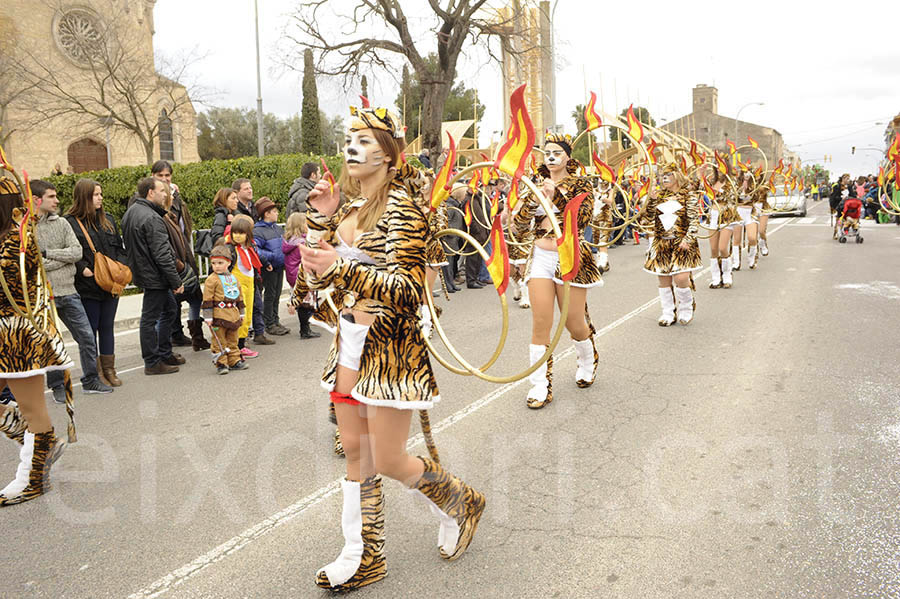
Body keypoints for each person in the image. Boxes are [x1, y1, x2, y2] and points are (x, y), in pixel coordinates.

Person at [299, 104, 485, 591]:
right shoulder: (349, 210)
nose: (352, 147)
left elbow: (405, 289)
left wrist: (339, 268)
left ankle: (460, 501)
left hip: (390, 354)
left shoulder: (402, 208)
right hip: (348, 346)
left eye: (364, 139)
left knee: (387, 459)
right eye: (349, 138)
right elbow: (315, 275)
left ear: (388, 153)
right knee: (357, 455)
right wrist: (322, 221)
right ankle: (361, 555)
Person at [512, 132, 602, 409]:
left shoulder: (581, 184)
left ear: (567, 157)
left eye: (556, 153)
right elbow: (518, 225)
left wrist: (558, 197)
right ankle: (540, 385)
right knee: (540, 323)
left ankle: (588, 359)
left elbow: (581, 220)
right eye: (546, 153)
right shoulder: (533, 184)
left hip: (570, 257)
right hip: (539, 256)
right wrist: (532, 200)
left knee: (574, 323)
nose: (550, 158)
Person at [0, 174, 72, 506]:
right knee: (28, 413)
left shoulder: (16, 241)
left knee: (32, 409)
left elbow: (17, 290)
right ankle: (42, 444)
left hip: (16, 337)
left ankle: (32, 476)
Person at [32, 179, 112, 400]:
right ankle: (57, 385)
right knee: (52, 343)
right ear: (37, 200)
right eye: (51, 197)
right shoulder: (26, 228)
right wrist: (58, 258)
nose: (57, 200)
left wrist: (48, 254)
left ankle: (91, 380)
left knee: (86, 336)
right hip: (44, 295)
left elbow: (76, 253)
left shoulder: (61, 223)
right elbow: (33, 262)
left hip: (69, 291)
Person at [65, 178, 127, 386]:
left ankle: (110, 369)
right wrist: (83, 269)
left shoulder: (107, 219)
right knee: (90, 329)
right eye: (95, 194)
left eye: (101, 194)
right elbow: (70, 252)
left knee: (107, 326)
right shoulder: (70, 222)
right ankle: (95, 372)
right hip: (88, 286)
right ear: (84, 197)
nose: (100, 198)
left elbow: (118, 247)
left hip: (111, 283)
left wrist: (122, 266)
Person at [122, 177, 186, 375]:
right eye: (162, 191)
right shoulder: (151, 218)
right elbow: (162, 254)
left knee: (169, 310)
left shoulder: (131, 212)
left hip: (146, 273)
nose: (166, 194)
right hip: (154, 276)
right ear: (151, 192)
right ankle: (152, 362)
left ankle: (164, 353)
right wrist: (176, 281)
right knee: (150, 319)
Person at [151, 160, 210, 352]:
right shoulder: (148, 200)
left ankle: (195, 336)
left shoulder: (177, 198)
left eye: (167, 175)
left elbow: (184, 226)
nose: (165, 179)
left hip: (185, 254)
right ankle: (166, 345)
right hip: (170, 258)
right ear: (153, 177)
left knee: (194, 297)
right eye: (160, 176)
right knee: (171, 303)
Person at [639, 164, 702, 326]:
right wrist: (651, 201)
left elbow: (694, 220)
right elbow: (647, 218)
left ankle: (686, 308)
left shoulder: (689, 195)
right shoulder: (658, 195)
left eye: (668, 175)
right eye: (662, 175)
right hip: (662, 243)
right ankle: (668, 312)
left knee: (681, 278)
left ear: (676, 176)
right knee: (664, 280)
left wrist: (687, 240)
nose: (664, 178)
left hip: (682, 242)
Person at [202, 244, 248, 374]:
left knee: (233, 340)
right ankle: (221, 363)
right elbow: (207, 300)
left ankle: (234, 361)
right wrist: (208, 316)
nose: (216, 266)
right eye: (214, 263)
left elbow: (239, 297)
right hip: (218, 316)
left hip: (232, 315)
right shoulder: (211, 280)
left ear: (228, 262)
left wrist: (242, 313)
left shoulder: (233, 278)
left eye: (220, 262)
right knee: (219, 341)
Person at [226, 214, 266, 358]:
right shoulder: (230, 248)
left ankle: (242, 344)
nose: (237, 236)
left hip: (250, 283)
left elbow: (255, 263)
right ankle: (235, 346)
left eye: (241, 233)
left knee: (247, 315)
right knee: (237, 316)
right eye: (235, 232)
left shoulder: (250, 247)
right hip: (236, 285)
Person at [253, 197, 290, 336]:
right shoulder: (258, 230)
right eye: (274, 211)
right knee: (269, 295)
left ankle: (275, 320)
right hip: (269, 267)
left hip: (279, 266)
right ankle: (269, 323)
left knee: (277, 294)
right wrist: (271, 258)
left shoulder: (277, 228)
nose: (277, 213)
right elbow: (256, 249)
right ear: (266, 213)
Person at [283, 212, 321, 339]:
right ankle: (305, 330)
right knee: (305, 303)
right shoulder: (302, 243)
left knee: (304, 300)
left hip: (292, 274)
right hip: (301, 275)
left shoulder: (290, 241)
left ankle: (306, 327)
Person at [704, 165, 739, 289]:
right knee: (713, 249)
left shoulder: (730, 181)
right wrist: (700, 173)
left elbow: (734, 197)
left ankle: (727, 275)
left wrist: (720, 192)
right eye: (717, 166)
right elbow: (698, 190)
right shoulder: (711, 181)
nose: (719, 169)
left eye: (721, 166)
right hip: (713, 215)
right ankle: (716, 278)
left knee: (723, 248)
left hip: (726, 215)